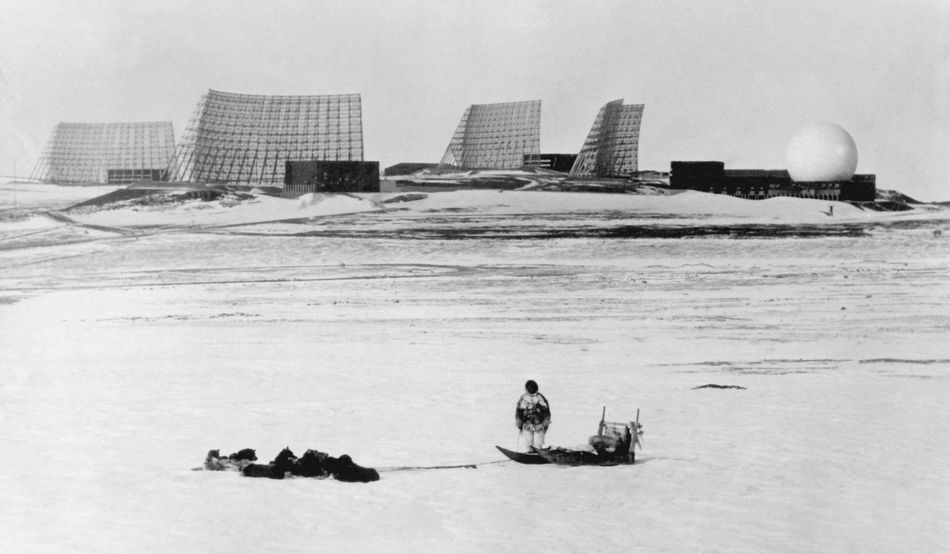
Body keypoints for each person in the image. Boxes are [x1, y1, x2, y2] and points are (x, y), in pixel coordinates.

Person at [515, 380, 551, 451]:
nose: (531, 390)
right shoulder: (523, 398)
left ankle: (538, 451)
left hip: (539, 423)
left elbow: (546, 411)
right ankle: (529, 451)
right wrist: (519, 423)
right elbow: (519, 411)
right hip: (527, 423)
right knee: (528, 439)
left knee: (538, 439)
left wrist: (546, 422)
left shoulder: (540, 397)